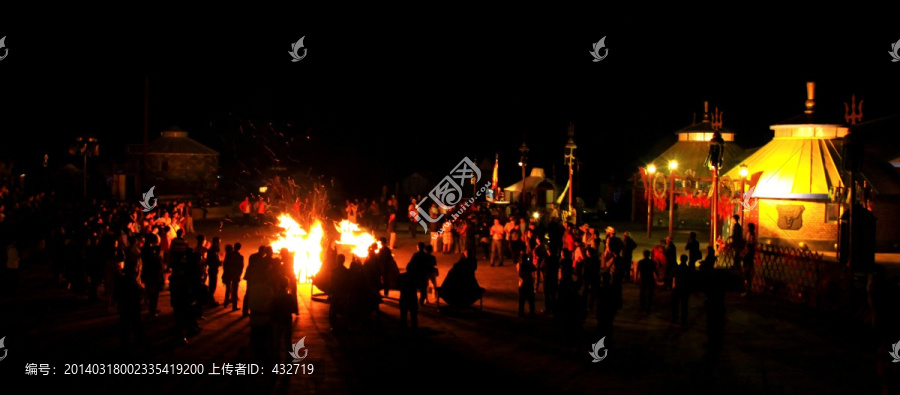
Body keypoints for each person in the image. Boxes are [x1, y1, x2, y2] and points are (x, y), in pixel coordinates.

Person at [140, 233, 163, 318]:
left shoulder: (146, 248)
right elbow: (154, 261)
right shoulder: (149, 250)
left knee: (151, 291)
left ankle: (153, 308)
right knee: (153, 292)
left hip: (149, 272)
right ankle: (152, 310)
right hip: (152, 273)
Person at [222, 243, 245, 311]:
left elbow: (225, 265)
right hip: (235, 275)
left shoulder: (229, 255)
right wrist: (239, 275)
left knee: (228, 288)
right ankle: (234, 306)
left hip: (228, 274)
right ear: (239, 248)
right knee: (234, 290)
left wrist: (225, 273)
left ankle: (226, 302)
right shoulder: (240, 257)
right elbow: (241, 267)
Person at [636, 250, 658, 314]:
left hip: (643, 279)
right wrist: (658, 277)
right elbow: (655, 270)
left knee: (642, 293)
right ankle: (648, 307)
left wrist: (636, 278)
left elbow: (638, 271)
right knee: (650, 294)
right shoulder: (652, 262)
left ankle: (642, 306)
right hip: (650, 279)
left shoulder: (641, 262)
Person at [672, 254, 691, 325]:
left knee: (675, 304)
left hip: (678, 287)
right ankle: (684, 319)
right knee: (684, 305)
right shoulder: (688, 269)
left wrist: (673, 286)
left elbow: (673, 277)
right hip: (685, 288)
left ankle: (675, 317)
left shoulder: (677, 268)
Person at [741, 223, 757, 297]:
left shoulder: (752, 235)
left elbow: (751, 244)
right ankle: (748, 289)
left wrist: (747, 250)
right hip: (748, 255)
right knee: (747, 272)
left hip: (748, 256)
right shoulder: (750, 234)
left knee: (747, 272)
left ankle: (748, 289)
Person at [207, 237, 222, 306]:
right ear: (215, 242)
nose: (219, 244)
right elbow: (212, 261)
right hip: (212, 269)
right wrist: (219, 263)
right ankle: (210, 301)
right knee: (212, 285)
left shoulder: (214, 250)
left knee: (212, 285)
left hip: (213, 269)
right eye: (218, 242)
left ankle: (210, 299)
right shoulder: (212, 251)